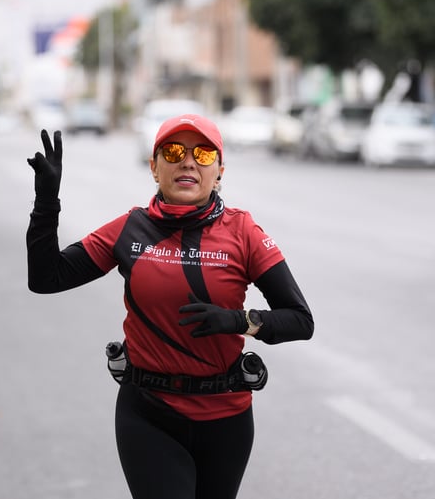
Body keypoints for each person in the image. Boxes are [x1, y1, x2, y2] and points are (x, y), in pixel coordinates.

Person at [25, 114, 314, 499]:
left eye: (204, 153)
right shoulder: (131, 228)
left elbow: (300, 320)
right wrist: (46, 202)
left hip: (225, 417)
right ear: (154, 168)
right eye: (174, 151)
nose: (188, 161)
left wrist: (238, 321)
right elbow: (47, 279)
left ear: (219, 171)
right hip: (148, 412)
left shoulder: (243, 231)